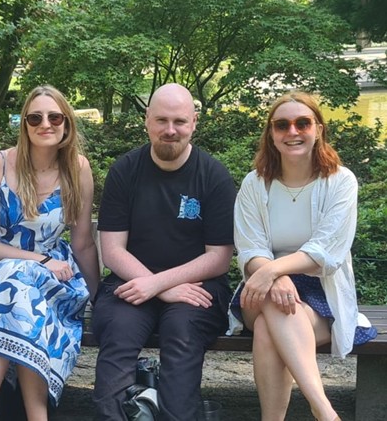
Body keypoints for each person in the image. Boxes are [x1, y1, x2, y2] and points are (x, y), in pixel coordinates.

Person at [227, 91, 377, 421]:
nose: (292, 131)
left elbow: (326, 251)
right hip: (261, 289)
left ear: (318, 129)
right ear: (271, 133)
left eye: (302, 123)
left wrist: (273, 272)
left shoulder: (341, 181)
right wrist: (274, 276)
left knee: (269, 327)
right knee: (275, 300)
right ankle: (324, 411)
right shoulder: (254, 184)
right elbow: (250, 248)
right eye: (282, 125)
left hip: (321, 290)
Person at [0, 85, 100, 421]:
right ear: (24, 124)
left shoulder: (77, 168)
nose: (45, 124)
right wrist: (39, 260)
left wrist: (98, 298)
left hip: (55, 281)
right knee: (17, 279)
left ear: (66, 122)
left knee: (22, 290)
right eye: (35, 118)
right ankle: (37, 416)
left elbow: (82, 243)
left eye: (54, 117)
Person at [92, 83, 237, 421]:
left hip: (198, 287)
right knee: (118, 330)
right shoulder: (125, 171)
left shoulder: (214, 176)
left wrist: (158, 285)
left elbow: (219, 257)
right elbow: (112, 250)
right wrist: (160, 287)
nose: (170, 130)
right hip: (130, 280)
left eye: (179, 121)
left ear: (194, 122)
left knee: (182, 332)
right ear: (147, 120)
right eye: (161, 120)